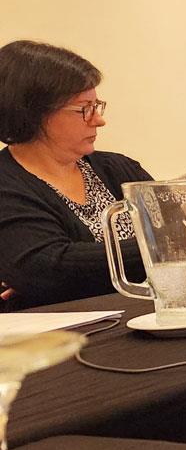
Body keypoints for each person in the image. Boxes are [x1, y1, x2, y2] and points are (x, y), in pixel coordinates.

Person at [0, 40, 150, 310]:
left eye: (97, 106)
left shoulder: (119, 168)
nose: (99, 120)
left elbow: (183, 233)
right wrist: (157, 249)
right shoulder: (6, 183)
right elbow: (47, 269)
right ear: (34, 113)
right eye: (85, 109)